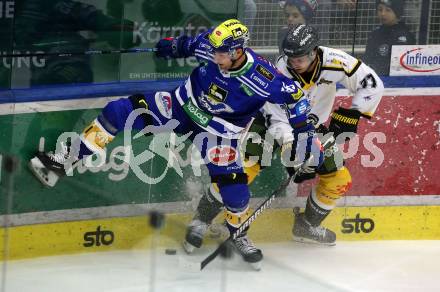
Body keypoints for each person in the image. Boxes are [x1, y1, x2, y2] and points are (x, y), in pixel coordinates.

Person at [28, 19, 323, 270]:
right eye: (215, 50)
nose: (215, 56)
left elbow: (296, 97)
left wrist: (305, 136)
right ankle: (65, 160)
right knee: (118, 111)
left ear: (236, 51)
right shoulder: (211, 45)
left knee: (235, 192)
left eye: (221, 53)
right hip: (181, 106)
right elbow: (186, 45)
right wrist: (169, 46)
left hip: (219, 133)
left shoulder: (264, 78)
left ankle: (238, 232)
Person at [244, 23, 384, 245]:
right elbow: (278, 119)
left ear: (313, 53)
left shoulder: (335, 61)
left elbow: (372, 84)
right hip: (272, 122)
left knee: (339, 179)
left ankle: (307, 226)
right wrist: (292, 149)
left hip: (311, 128)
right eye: (290, 58)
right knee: (241, 169)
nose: (293, 63)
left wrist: (353, 114)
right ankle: (204, 220)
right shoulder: (279, 73)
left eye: (299, 58)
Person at [363, 0, 416, 75]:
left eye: (388, 10)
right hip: (375, 79)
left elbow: (403, 67)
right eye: (380, 10)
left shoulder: (406, 36)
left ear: (397, 12)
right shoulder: (374, 34)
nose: (383, 14)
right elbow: (367, 60)